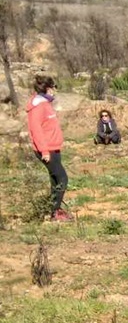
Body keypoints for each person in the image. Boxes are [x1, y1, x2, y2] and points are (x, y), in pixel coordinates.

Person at [26, 75, 71, 222]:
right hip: (46, 149)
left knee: (55, 179)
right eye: (54, 87)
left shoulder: (46, 104)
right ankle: (55, 212)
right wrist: (44, 151)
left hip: (54, 147)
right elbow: (36, 130)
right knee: (62, 178)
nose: (55, 91)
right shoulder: (38, 106)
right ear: (48, 89)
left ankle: (53, 210)